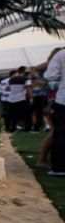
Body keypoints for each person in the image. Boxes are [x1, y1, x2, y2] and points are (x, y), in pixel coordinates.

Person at [43, 48, 65, 176]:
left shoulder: (61, 54)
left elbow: (50, 75)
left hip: (63, 100)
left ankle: (59, 168)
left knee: (60, 133)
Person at [5, 66, 31, 132]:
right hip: (20, 99)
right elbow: (28, 88)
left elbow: (7, 88)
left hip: (11, 99)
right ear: (24, 71)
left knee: (11, 115)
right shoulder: (26, 79)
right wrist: (31, 97)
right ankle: (22, 127)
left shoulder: (11, 79)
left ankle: (10, 128)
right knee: (23, 114)